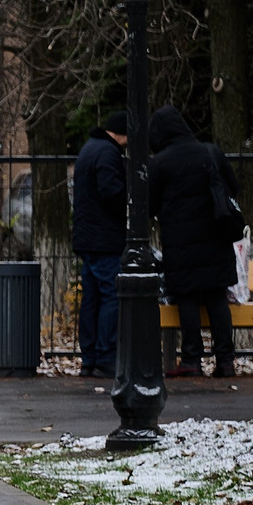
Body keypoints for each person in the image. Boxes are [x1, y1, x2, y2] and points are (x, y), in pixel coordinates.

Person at [148, 104, 240, 379]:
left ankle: (191, 359)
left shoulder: (160, 162)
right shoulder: (210, 152)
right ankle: (225, 361)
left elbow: (150, 204)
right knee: (216, 297)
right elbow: (232, 187)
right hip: (216, 237)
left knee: (187, 298)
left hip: (181, 242)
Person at [70, 111, 128, 377]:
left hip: (88, 237)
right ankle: (105, 355)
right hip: (104, 238)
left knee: (91, 298)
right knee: (109, 297)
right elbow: (112, 191)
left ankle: (89, 357)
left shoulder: (89, 149)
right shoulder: (107, 152)